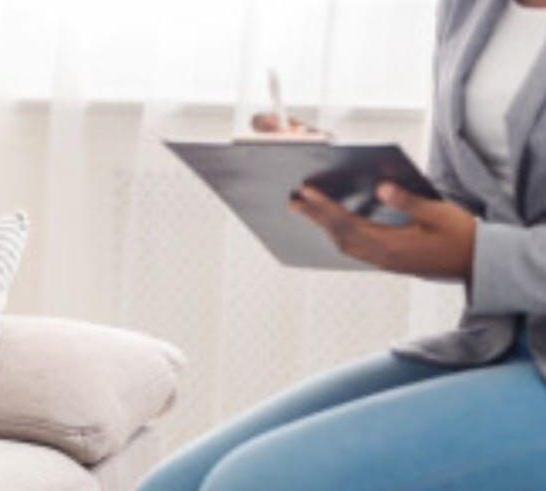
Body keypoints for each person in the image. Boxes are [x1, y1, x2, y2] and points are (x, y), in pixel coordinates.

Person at [137, 0, 546, 489]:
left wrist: (476, 252)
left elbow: (474, 244)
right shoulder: (469, 9)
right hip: (499, 342)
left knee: (253, 482)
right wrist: (348, 182)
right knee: (173, 485)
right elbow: (467, 203)